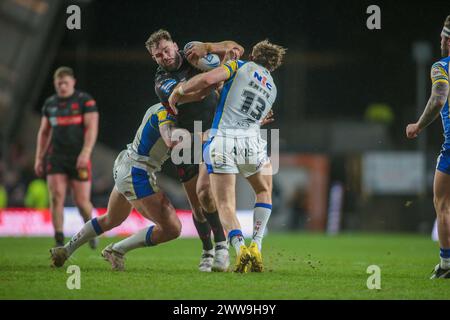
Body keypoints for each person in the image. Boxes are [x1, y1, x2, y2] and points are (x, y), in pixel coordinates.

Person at [169, 40, 286, 273]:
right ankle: (257, 246)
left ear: (253, 55)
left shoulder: (239, 66)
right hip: (252, 143)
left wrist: (179, 91)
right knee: (263, 191)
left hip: (222, 140)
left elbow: (207, 80)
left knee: (224, 203)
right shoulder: (272, 87)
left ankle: (240, 249)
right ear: (273, 66)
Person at [50, 102, 205, 270]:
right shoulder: (165, 111)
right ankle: (117, 250)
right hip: (137, 172)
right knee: (172, 228)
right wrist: (204, 137)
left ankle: (65, 250)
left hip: (128, 164)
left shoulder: (166, 108)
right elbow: (169, 138)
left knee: (111, 219)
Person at [146, 29, 244, 272]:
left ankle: (221, 247)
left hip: (212, 132)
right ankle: (207, 249)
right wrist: (215, 79)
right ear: (154, 58)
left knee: (206, 194)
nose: (164, 57)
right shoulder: (162, 82)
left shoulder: (194, 52)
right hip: (186, 138)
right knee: (197, 207)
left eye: (166, 50)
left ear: (175, 46)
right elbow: (195, 93)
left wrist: (209, 47)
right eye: (158, 55)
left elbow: (236, 48)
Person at [34, 67, 99, 248]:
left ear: (73, 82)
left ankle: (91, 231)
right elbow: (44, 132)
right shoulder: (50, 104)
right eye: (59, 83)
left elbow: (92, 128)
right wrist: (39, 158)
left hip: (78, 157)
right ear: (55, 83)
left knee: (81, 201)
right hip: (56, 158)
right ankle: (59, 240)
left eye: (65, 82)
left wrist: (86, 153)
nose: (62, 86)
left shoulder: (84, 101)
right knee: (56, 197)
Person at [406, 15, 450, 279]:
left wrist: (418, 125)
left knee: (442, 203)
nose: (441, 42)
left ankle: (446, 266)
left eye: (444, 37)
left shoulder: (441, 67)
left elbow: (439, 97)